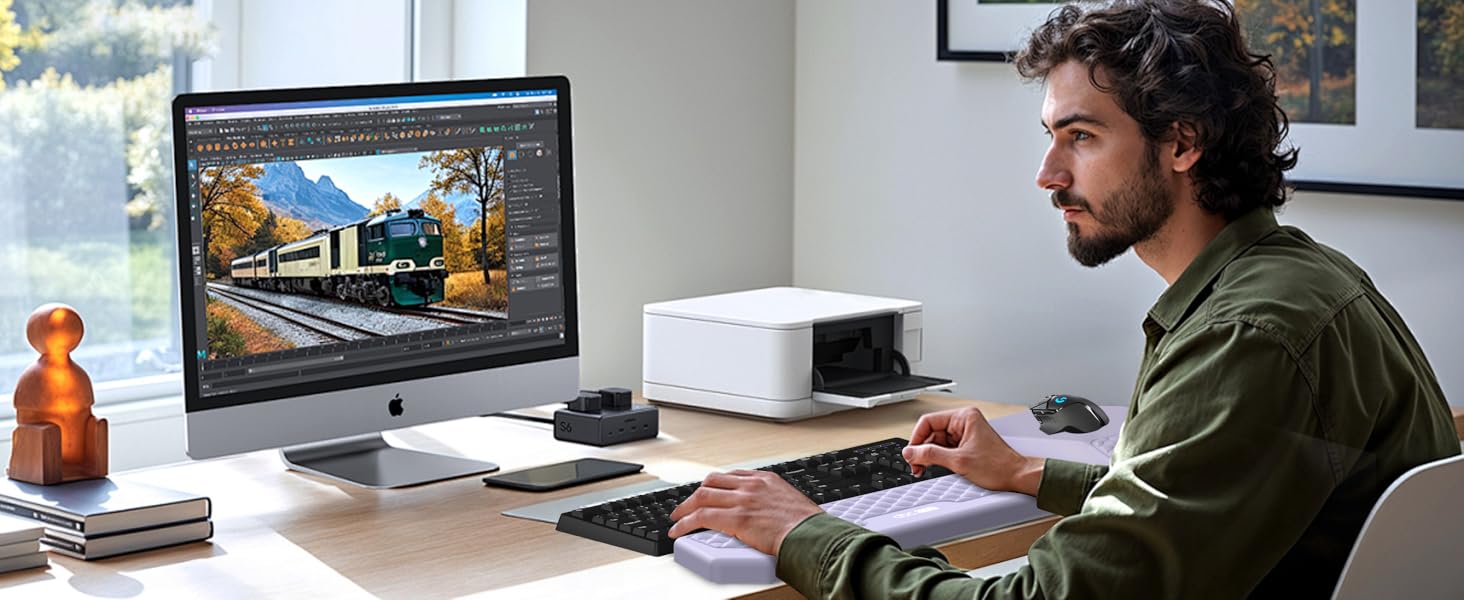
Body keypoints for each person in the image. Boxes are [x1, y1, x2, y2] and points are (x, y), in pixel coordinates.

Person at [666, 1, 1461, 597]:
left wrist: (804, 531)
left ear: (1183, 144)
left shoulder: (1246, 334)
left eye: (1080, 137)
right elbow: (1212, 496)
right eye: (1051, 137)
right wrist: (1026, 472)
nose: (1048, 175)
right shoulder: (1304, 278)